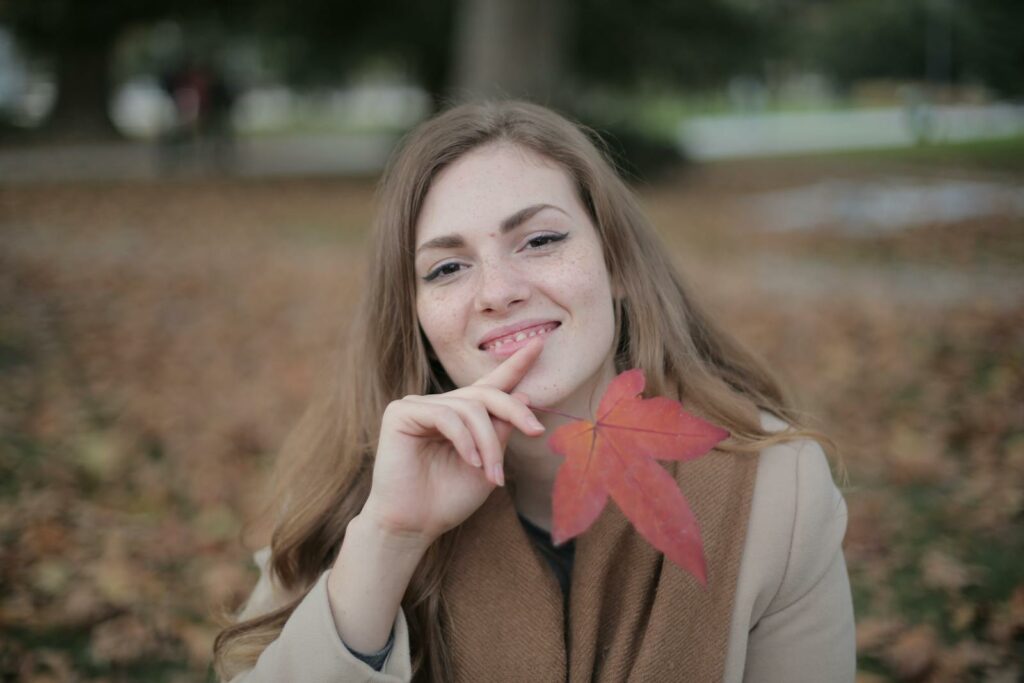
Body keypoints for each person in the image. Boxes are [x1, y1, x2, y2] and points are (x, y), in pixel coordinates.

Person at [213, 100, 856, 682]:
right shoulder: (356, 495)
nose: (498, 291)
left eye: (541, 239)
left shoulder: (775, 490)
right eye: (447, 267)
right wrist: (388, 538)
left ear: (620, 264)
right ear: (414, 319)